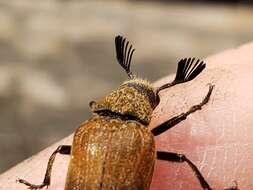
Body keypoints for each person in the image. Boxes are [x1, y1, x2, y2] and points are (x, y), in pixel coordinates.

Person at [0, 42, 252, 189]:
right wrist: (194, 108)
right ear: (149, 106)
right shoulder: (140, 135)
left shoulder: (89, 128)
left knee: (58, 150)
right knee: (182, 159)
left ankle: (43, 184)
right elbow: (181, 131)